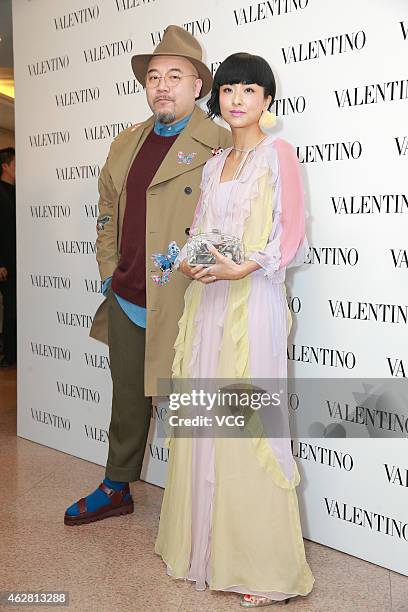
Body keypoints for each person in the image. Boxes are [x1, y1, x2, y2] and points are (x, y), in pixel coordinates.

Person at [155, 53, 315, 606]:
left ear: (267, 99)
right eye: (227, 90)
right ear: (216, 99)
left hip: (254, 301)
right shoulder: (211, 162)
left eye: (249, 89)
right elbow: (203, 229)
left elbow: (290, 235)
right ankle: (205, 550)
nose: (237, 99)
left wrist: (242, 267)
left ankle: (260, 566)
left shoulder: (280, 156)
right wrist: (192, 261)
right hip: (208, 302)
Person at [64, 26, 231, 526]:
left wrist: (196, 270)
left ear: (198, 85)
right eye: (154, 76)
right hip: (127, 294)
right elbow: (106, 211)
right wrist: (107, 273)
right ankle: (117, 485)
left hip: (186, 295)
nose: (162, 85)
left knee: (192, 399)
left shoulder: (218, 143)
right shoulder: (126, 142)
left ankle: (198, 500)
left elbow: (229, 223)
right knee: (128, 397)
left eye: (175, 76)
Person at [0, 147, 17, 368]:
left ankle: (13, 353)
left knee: (14, 309)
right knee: (10, 309)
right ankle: (9, 355)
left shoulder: (17, 192)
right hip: (5, 264)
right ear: (5, 167)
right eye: (15, 165)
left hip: (16, 263)